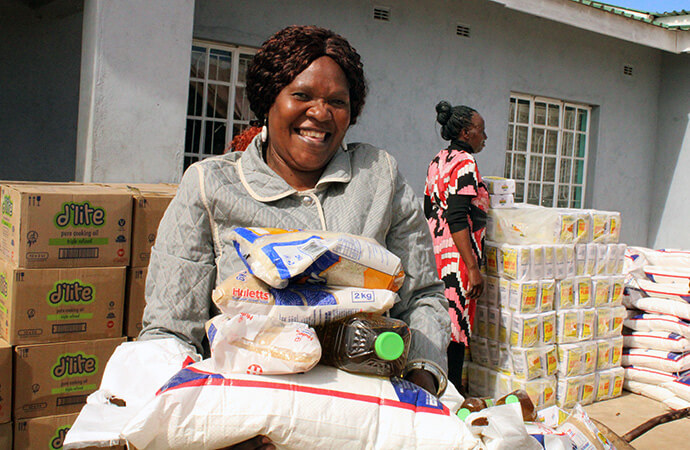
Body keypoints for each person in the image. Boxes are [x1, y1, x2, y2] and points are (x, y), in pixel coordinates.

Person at [139, 25, 450, 448]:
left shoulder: (378, 179)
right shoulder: (211, 187)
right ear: (268, 100)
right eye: (302, 95)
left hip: (364, 427)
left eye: (337, 102)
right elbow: (169, 333)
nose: (321, 114)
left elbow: (424, 295)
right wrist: (205, 426)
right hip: (246, 426)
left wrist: (419, 382)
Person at [424, 100, 489, 392]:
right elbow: (457, 215)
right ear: (465, 132)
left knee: (444, 323)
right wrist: (473, 267)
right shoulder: (465, 163)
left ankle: (439, 390)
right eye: (481, 131)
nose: (484, 137)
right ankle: (451, 396)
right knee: (456, 330)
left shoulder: (438, 160)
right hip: (458, 257)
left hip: (438, 253)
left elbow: (429, 210)